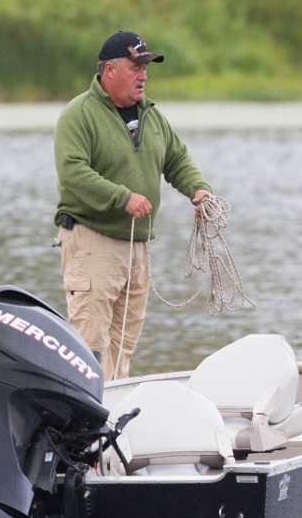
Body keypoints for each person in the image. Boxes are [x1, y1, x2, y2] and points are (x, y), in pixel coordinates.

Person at [53, 31, 212, 381]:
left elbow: (177, 160)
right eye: (135, 66)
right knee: (88, 347)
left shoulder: (152, 117)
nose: (143, 75)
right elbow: (73, 172)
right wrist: (122, 197)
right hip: (92, 243)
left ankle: (111, 427)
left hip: (136, 248)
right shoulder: (78, 114)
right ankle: (84, 426)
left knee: (122, 349)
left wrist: (198, 190)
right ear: (109, 71)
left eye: (146, 67)